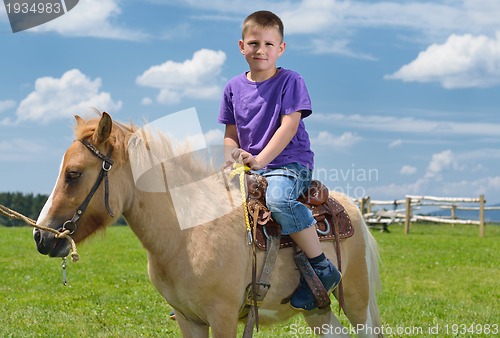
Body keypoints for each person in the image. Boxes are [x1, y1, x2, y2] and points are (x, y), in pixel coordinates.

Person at [217, 10, 341, 311]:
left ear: (281, 48)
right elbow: (231, 134)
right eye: (254, 43)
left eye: (269, 44)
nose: (261, 50)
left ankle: (322, 266)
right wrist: (231, 160)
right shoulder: (233, 87)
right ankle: (202, 283)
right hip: (250, 164)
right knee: (208, 202)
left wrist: (259, 159)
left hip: (288, 163)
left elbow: (289, 126)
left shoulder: (290, 81)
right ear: (241, 46)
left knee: (279, 200)